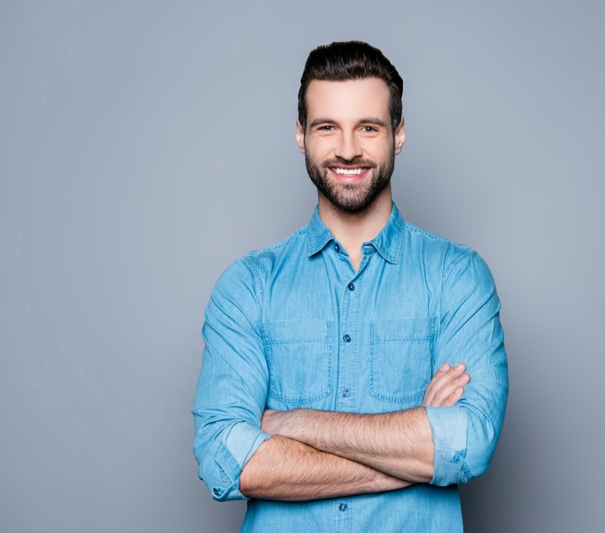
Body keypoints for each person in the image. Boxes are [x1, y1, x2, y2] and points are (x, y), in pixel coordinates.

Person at [193, 41, 508, 532]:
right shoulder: (248, 287)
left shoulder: (457, 277)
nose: (347, 149)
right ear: (301, 135)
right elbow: (225, 461)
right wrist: (414, 448)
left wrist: (290, 422)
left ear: (398, 134)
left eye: (368, 127)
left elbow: (467, 442)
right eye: (326, 127)